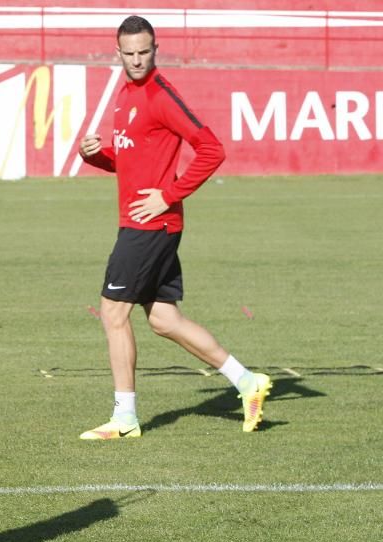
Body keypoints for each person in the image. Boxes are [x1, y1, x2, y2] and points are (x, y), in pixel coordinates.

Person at [76, 15, 271, 439]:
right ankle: (247, 381)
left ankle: (125, 418)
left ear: (155, 48)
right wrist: (95, 155)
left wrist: (170, 194)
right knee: (164, 319)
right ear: (118, 53)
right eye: (128, 54)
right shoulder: (124, 92)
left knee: (112, 313)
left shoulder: (162, 96)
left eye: (144, 52)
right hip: (145, 223)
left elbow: (211, 148)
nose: (137, 60)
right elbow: (130, 160)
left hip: (149, 225)